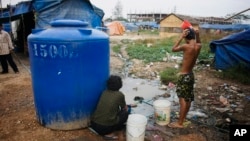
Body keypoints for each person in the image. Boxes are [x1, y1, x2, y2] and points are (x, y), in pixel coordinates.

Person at [168, 26, 201, 128]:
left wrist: (181, 37)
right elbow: (198, 42)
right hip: (191, 75)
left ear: (186, 36)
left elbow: (173, 49)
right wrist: (198, 35)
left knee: (182, 99)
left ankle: (179, 123)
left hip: (184, 76)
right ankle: (183, 118)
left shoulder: (186, 47)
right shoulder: (198, 46)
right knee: (189, 98)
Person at [90, 75, 130, 140]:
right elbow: (125, 108)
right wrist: (126, 107)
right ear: (120, 85)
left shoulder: (104, 92)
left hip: (94, 125)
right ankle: (110, 134)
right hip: (105, 128)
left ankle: (108, 131)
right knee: (125, 113)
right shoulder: (120, 95)